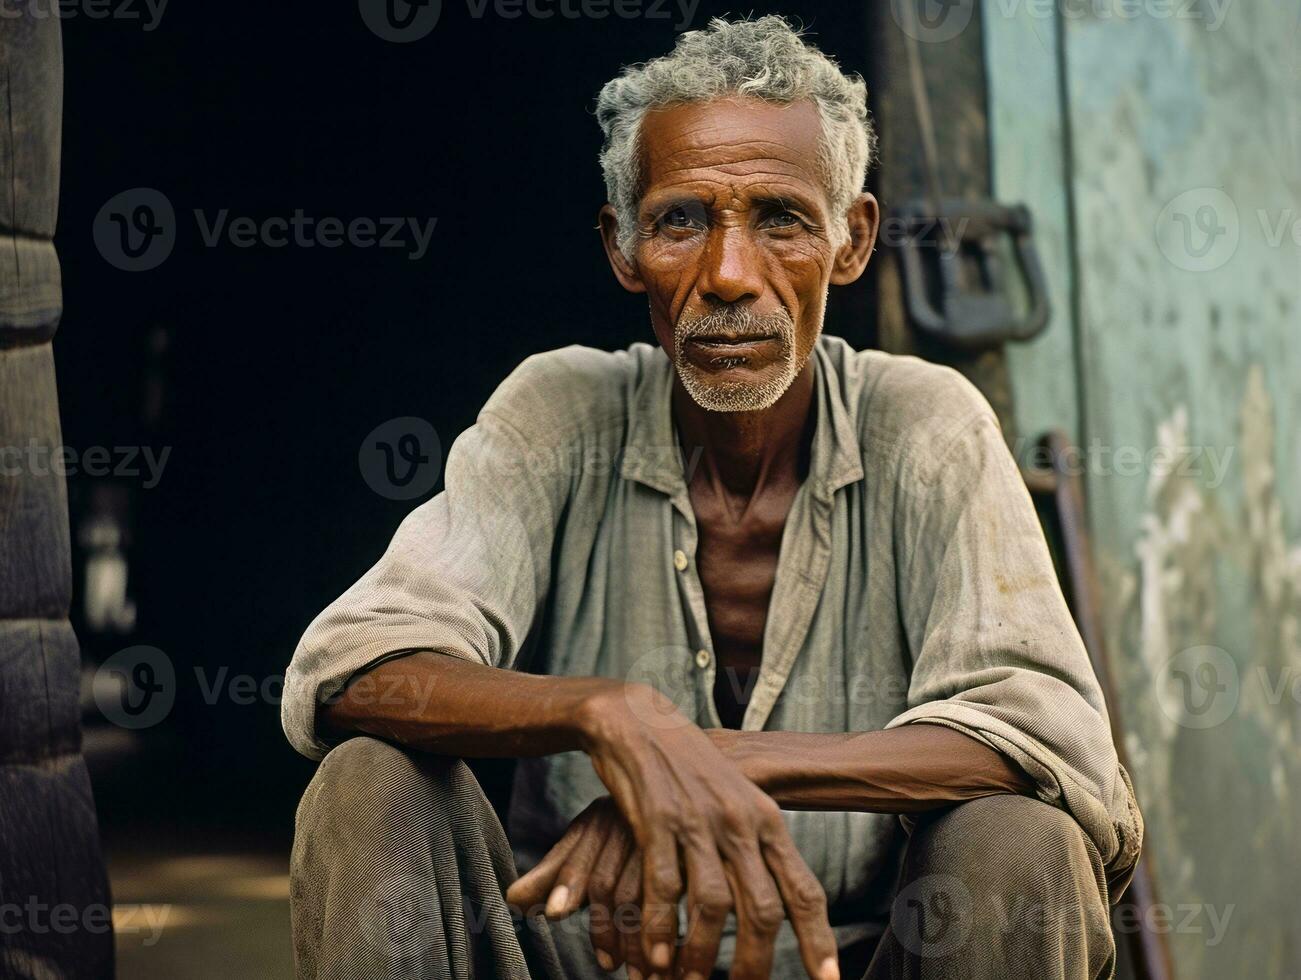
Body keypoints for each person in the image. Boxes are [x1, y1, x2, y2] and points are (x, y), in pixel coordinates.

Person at [282, 15, 1141, 979]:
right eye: (681, 221)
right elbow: (352, 670)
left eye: (780, 219)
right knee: (369, 783)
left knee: (1020, 842)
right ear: (622, 247)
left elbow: (1048, 738)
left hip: (847, 963)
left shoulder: (925, 424)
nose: (730, 276)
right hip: (574, 956)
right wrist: (608, 714)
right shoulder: (560, 409)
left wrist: (702, 762)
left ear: (851, 240)